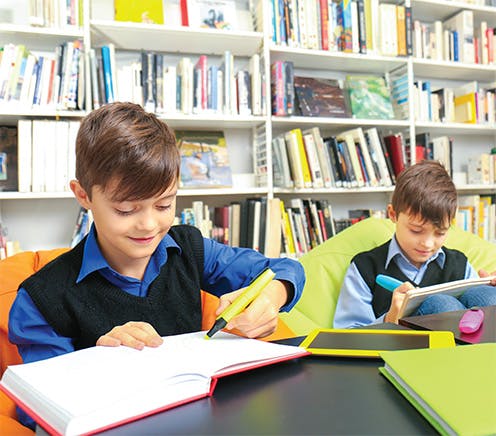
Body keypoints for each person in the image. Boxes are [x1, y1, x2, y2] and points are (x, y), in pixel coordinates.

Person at [8, 102, 305, 429]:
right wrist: (98, 360)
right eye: (125, 209)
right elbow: (38, 411)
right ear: (83, 195)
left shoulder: (189, 250)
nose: (149, 225)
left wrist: (272, 296)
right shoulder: (41, 301)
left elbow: (284, 270)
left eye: (165, 204)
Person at [334, 160, 496, 328]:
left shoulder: (459, 264)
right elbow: (347, 333)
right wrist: (389, 320)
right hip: (399, 347)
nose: (427, 244)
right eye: (416, 230)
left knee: (487, 296)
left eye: (440, 233)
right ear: (393, 214)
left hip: (467, 342)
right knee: (442, 305)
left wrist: (488, 288)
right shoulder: (365, 267)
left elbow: (478, 310)